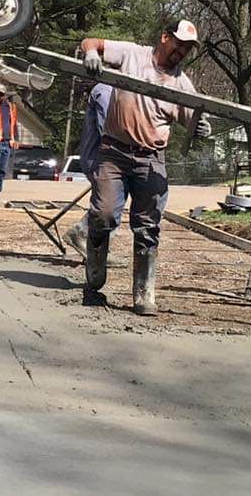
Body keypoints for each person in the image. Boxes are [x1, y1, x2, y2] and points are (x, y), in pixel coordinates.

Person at [78, 19, 212, 315]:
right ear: (165, 37)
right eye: (179, 43)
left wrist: (202, 128)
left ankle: (143, 292)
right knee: (103, 214)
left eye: (188, 48)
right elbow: (92, 41)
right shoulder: (132, 55)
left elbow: (194, 119)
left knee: (148, 226)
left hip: (151, 159)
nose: (182, 51)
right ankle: (95, 263)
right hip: (114, 152)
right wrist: (90, 54)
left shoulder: (181, 84)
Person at [63, 81, 112, 260]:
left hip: (103, 158)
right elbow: (106, 128)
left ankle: (94, 250)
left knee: (108, 201)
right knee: (110, 202)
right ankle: (83, 236)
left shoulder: (117, 91)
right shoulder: (105, 91)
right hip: (98, 157)